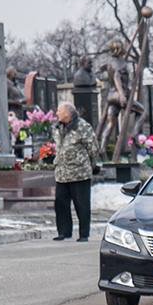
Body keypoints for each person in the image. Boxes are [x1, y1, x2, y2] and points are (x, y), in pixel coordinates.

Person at [52, 102, 101, 242]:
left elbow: (93, 148)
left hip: (79, 173)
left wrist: (89, 165)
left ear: (67, 113)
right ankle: (64, 232)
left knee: (82, 204)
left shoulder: (83, 127)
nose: (56, 113)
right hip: (62, 173)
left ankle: (84, 234)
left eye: (58, 111)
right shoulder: (57, 127)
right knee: (60, 203)